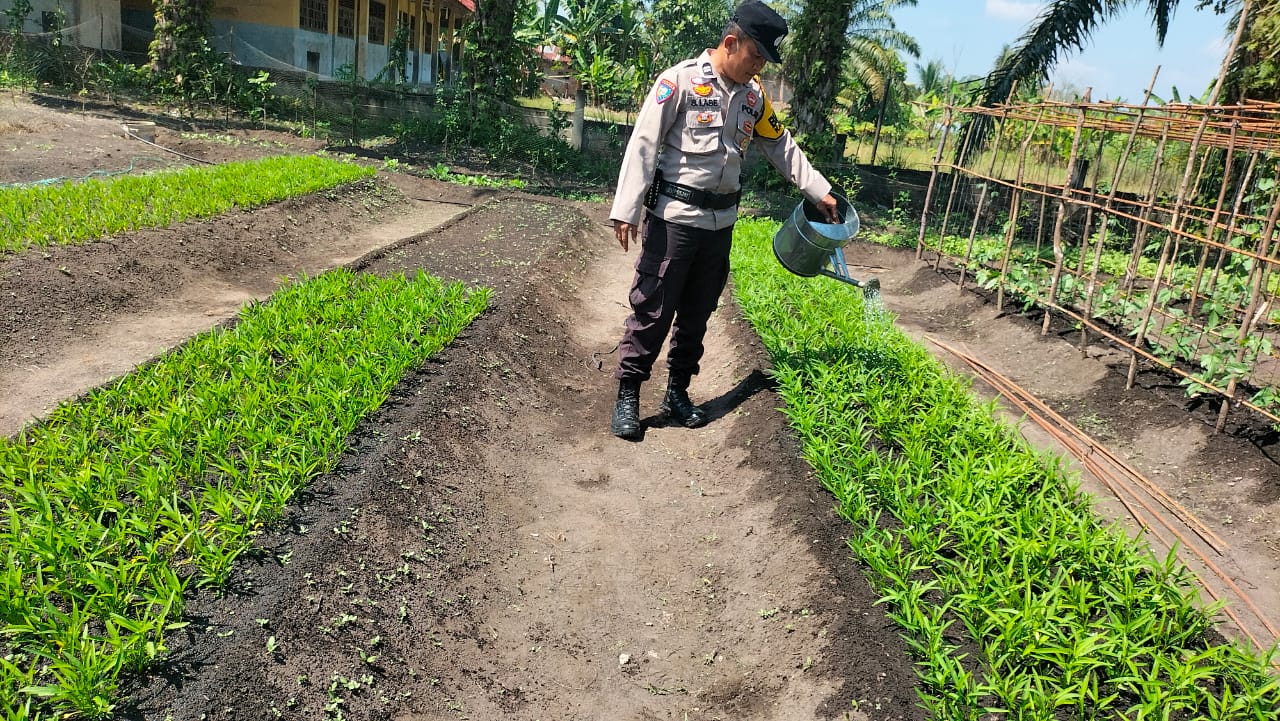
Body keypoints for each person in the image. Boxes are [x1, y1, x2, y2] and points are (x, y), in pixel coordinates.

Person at [607, 0, 840, 439]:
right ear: (730, 42)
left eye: (764, 62)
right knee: (653, 309)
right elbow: (644, 142)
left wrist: (818, 189)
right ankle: (629, 393)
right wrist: (627, 209)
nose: (758, 67)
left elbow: (781, 146)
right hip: (674, 220)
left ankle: (677, 393)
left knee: (697, 313)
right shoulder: (679, 81)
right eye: (755, 56)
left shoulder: (754, 98)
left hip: (720, 226)